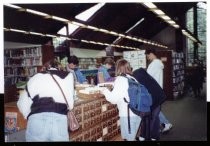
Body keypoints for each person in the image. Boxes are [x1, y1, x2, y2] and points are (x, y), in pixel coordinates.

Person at [17, 59, 74, 141]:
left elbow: (22, 103)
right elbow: (70, 105)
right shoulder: (68, 76)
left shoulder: (35, 77)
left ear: (44, 68)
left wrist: (29, 115)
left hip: (37, 120)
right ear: (60, 68)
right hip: (59, 120)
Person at [100, 59, 141, 141]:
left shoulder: (120, 80)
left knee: (128, 138)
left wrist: (104, 91)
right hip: (137, 112)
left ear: (117, 68)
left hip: (128, 115)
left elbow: (113, 99)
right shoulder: (132, 78)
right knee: (131, 137)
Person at [145, 48, 173, 133]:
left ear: (151, 54)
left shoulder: (153, 64)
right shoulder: (159, 63)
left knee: (154, 109)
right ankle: (162, 125)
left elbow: (147, 77)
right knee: (155, 109)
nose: (147, 58)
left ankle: (165, 123)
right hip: (158, 89)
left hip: (153, 90)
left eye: (147, 56)